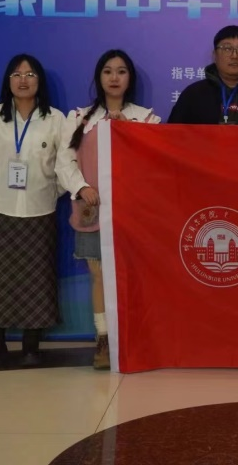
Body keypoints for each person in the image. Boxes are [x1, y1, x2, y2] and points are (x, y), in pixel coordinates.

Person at [58, 49, 161, 370]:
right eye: (107, 71)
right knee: (99, 275)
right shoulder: (79, 118)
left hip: (133, 213)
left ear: (130, 78)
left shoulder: (148, 119)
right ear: (98, 78)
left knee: (133, 275)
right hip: (93, 210)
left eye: (121, 71)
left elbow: (154, 165)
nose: (114, 78)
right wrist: (82, 187)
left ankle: (132, 335)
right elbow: (64, 162)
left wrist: (127, 131)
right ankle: (103, 338)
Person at [0, 54, 66, 368]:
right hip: (0, 214)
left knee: (36, 282)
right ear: (8, 81)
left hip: (40, 213)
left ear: (40, 81)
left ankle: (31, 346)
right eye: (16, 74)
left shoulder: (56, 119)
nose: (23, 80)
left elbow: (66, 164)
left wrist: (51, 192)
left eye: (30, 74)